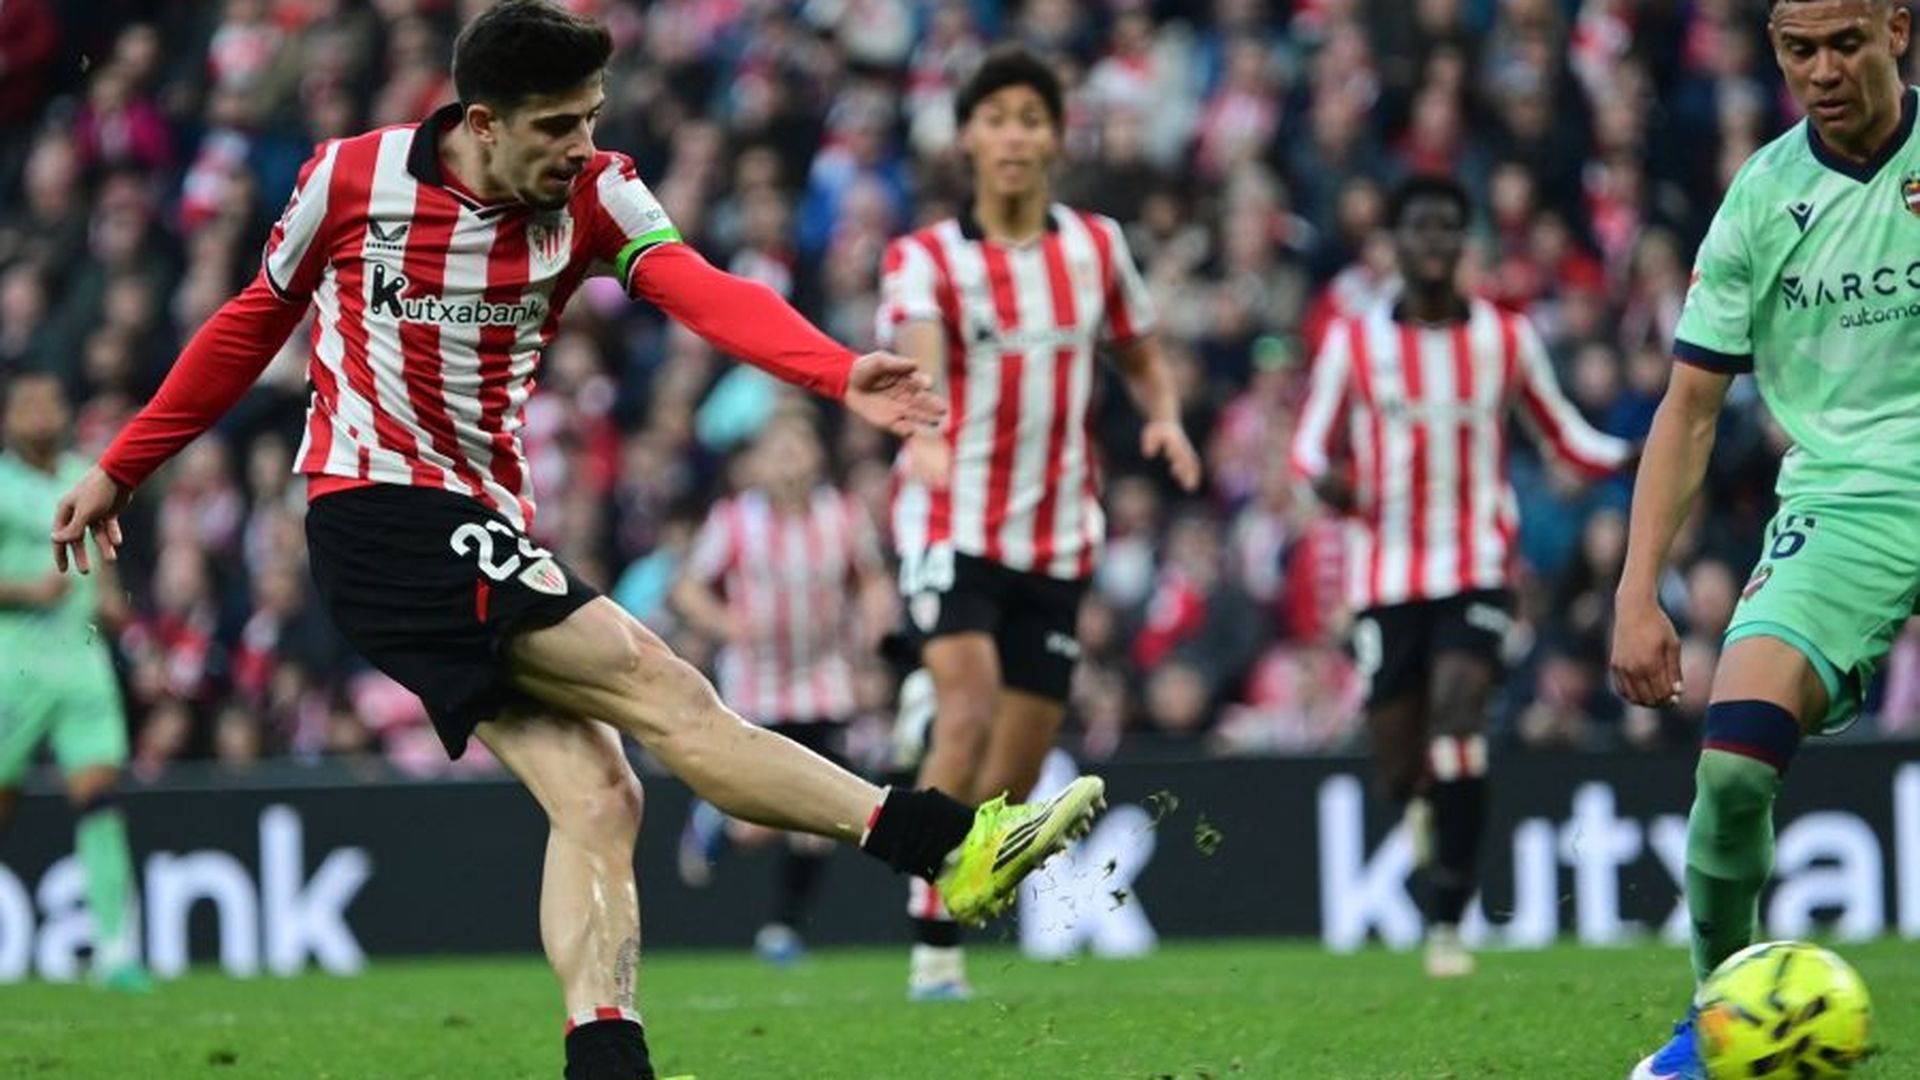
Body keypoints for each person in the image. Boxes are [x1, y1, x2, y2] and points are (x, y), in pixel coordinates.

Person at [48, 5, 1104, 1078]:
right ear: (482, 122)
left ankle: (608, 1063)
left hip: (481, 521)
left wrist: (832, 370)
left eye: (590, 118)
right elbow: (248, 323)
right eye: (556, 126)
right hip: (379, 509)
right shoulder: (352, 179)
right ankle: (948, 846)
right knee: (666, 691)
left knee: (603, 794)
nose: (581, 146)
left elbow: (699, 285)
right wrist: (119, 466)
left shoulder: (598, 192)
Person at [1612, 3, 1920, 1077]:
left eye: (1845, 42)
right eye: (1799, 49)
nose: (1823, 70)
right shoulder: (1759, 201)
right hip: (1846, 502)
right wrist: (1636, 590)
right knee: (1734, 774)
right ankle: (1716, 1022)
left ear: (1896, 31)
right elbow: (1689, 409)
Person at [876, 45, 1201, 1001]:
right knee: (970, 709)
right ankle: (929, 942)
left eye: (1032, 117)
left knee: (1011, 774)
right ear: (968, 137)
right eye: (997, 116)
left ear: (1056, 138)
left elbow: (1139, 353)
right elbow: (919, 359)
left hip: (1058, 533)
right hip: (952, 519)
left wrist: (1166, 417)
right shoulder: (926, 256)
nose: (1015, 134)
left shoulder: (1097, 246)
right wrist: (928, 438)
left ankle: (946, 889)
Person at [1290, 174, 1636, 978]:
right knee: (1395, 763)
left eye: (1451, 229)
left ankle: (1449, 911)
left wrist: (1641, 452)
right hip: (1384, 576)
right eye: (1421, 230)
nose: (1436, 244)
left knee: (1458, 714)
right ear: (1397, 246)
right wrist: (1327, 482)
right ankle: (1420, 811)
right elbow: (1309, 445)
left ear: (1466, 244)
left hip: (1477, 565)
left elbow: (1567, 437)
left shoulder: (1505, 340)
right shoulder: (1354, 341)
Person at [671, 410, 895, 965]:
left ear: (817, 457)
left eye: (797, 448)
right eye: (778, 450)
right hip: (758, 681)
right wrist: (727, 626)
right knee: (764, 812)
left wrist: (873, 629)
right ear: (757, 464)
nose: (788, 461)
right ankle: (721, 822)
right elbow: (689, 589)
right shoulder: (734, 520)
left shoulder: (842, 516)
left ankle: (784, 928)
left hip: (823, 678)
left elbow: (871, 579)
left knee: (819, 814)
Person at [0, 371, 148, 992]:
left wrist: (112, 606)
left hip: (82, 663)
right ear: (8, 418)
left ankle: (116, 953)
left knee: (101, 800)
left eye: (51, 400)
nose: (41, 411)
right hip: (15, 665)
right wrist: (27, 590)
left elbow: (103, 569)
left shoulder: (85, 475)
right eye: (28, 402)